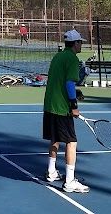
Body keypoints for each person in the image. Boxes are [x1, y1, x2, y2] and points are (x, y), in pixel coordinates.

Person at [42, 29, 90, 194]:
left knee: (55, 138)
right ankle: (69, 181)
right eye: (80, 42)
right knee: (71, 142)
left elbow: (59, 80)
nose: (81, 45)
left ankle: (51, 172)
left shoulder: (58, 56)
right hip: (62, 108)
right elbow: (69, 83)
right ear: (75, 43)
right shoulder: (72, 59)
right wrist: (74, 105)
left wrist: (75, 93)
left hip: (50, 104)